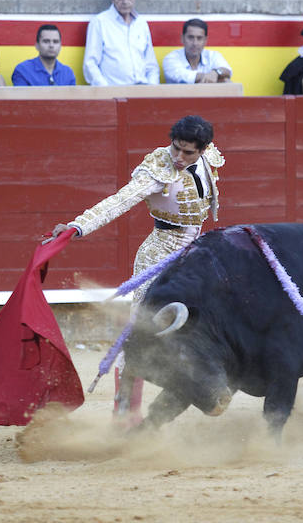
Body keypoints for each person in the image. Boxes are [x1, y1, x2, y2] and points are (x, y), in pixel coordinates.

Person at [47, 115, 224, 424]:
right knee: (138, 332)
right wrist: (77, 227)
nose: (179, 158)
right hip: (159, 254)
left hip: (195, 252)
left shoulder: (209, 156)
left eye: (188, 153)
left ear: (203, 149)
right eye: (176, 149)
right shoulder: (157, 168)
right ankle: (125, 412)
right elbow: (119, 201)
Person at [83, 0, 159, 86]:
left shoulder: (141, 23)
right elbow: (90, 64)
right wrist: (106, 91)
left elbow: (151, 65)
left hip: (143, 90)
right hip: (113, 92)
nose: (125, 1)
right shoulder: (100, 22)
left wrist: (151, 89)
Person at [162, 18, 232, 84]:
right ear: (182, 38)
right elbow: (183, 76)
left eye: (199, 38)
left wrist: (216, 72)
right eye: (190, 37)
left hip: (207, 96)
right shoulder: (170, 59)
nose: (195, 43)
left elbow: (227, 70)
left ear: (205, 41)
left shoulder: (213, 55)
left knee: (227, 82)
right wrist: (210, 76)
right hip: (180, 96)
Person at [12, 24, 77, 86]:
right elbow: (22, 97)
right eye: (46, 41)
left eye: (55, 42)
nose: (51, 45)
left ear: (60, 46)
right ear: (37, 45)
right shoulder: (23, 70)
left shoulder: (68, 73)